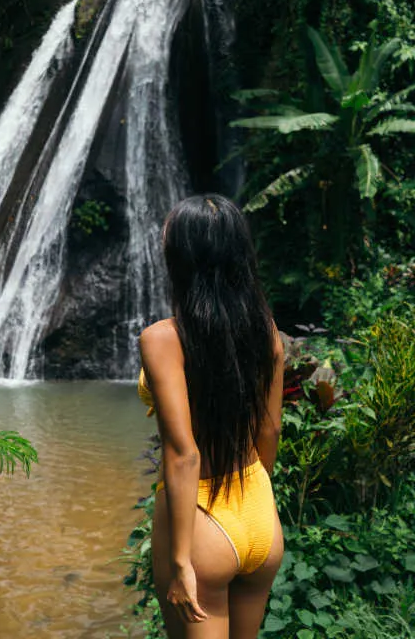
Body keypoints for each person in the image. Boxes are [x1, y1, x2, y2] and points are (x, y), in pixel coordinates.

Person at [137, 194, 285, 638]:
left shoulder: (163, 339)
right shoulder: (266, 331)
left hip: (201, 525)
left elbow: (183, 453)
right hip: (259, 510)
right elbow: (270, 429)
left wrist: (182, 559)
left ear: (181, 255)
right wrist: (253, 503)